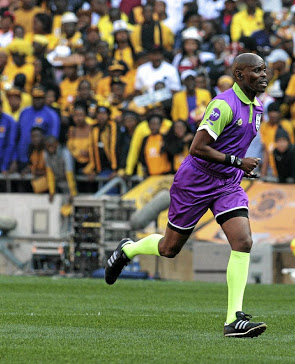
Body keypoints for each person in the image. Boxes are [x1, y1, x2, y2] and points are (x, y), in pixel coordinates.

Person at [105, 53, 268, 338]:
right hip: (196, 180)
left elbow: (236, 147)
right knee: (169, 249)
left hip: (228, 183)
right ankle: (128, 249)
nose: (264, 75)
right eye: (257, 71)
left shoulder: (258, 108)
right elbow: (197, 147)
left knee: (243, 242)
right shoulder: (223, 104)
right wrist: (237, 161)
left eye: (265, 70)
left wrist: (240, 166)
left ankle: (234, 318)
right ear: (240, 75)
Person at [43, 136, 77, 203]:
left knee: (69, 204)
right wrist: (52, 192)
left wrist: (73, 192)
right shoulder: (45, 154)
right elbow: (50, 174)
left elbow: (69, 173)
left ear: (57, 144)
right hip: (57, 182)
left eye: (52, 145)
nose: (50, 148)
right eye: (48, 146)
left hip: (68, 182)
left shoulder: (65, 153)